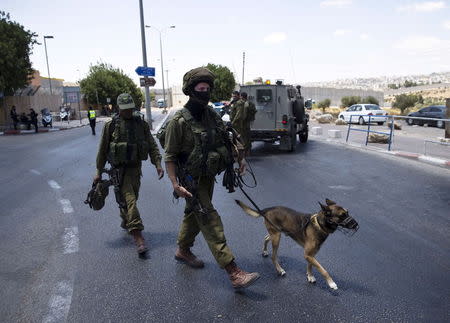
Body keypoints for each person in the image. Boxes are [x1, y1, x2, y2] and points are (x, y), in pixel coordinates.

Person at [164, 67, 260, 289]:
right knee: (208, 216)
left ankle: (183, 250)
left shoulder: (212, 116)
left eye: (208, 88)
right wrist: (174, 183)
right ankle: (233, 271)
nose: (205, 92)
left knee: (193, 213)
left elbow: (227, 138)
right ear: (190, 90)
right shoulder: (179, 121)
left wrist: (240, 159)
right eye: (201, 88)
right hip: (189, 179)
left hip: (208, 175)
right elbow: (169, 155)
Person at [93, 93, 164, 255]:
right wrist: (98, 171)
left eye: (130, 109)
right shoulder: (111, 125)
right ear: (118, 108)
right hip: (119, 170)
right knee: (130, 200)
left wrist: (158, 164)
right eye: (124, 109)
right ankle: (138, 237)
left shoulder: (141, 123)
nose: (128, 112)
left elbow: (152, 145)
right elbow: (102, 150)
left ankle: (126, 220)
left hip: (136, 169)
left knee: (131, 199)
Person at [232, 92, 256, 156]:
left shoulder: (240, 103)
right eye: (233, 96)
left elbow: (239, 115)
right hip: (245, 124)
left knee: (242, 138)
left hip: (241, 124)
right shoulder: (246, 103)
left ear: (240, 96)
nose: (233, 97)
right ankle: (247, 152)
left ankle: (243, 154)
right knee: (246, 137)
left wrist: (233, 123)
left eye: (234, 96)